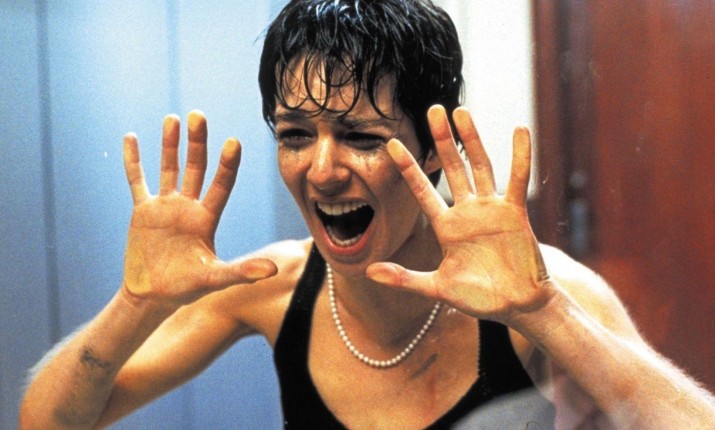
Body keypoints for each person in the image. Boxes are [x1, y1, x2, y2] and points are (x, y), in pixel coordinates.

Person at [19, 0, 715, 428]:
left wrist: (544, 312)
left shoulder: (534, 291)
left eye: (360, 136)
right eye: (295, 135)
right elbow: (47, 421)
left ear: (433, 148)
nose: (321, 169)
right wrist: (135, 304)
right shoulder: (270, 287)